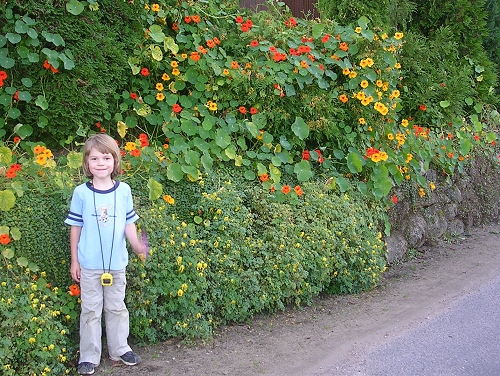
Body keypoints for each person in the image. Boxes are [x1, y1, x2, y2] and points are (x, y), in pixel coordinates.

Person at [65, 133, 146, 375]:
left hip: (117, 264)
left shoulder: (124, 191)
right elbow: (75, 227)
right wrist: (74, 260)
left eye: (106, 158)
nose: (101, 163)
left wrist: (137, 244)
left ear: (115, 161)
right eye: (95, 158)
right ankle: (89, 356)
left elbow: (128, 224)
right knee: (90, 310)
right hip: (89, 265)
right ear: (87, 164)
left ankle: (120, 349)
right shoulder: (81, 193)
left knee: (117, 308)